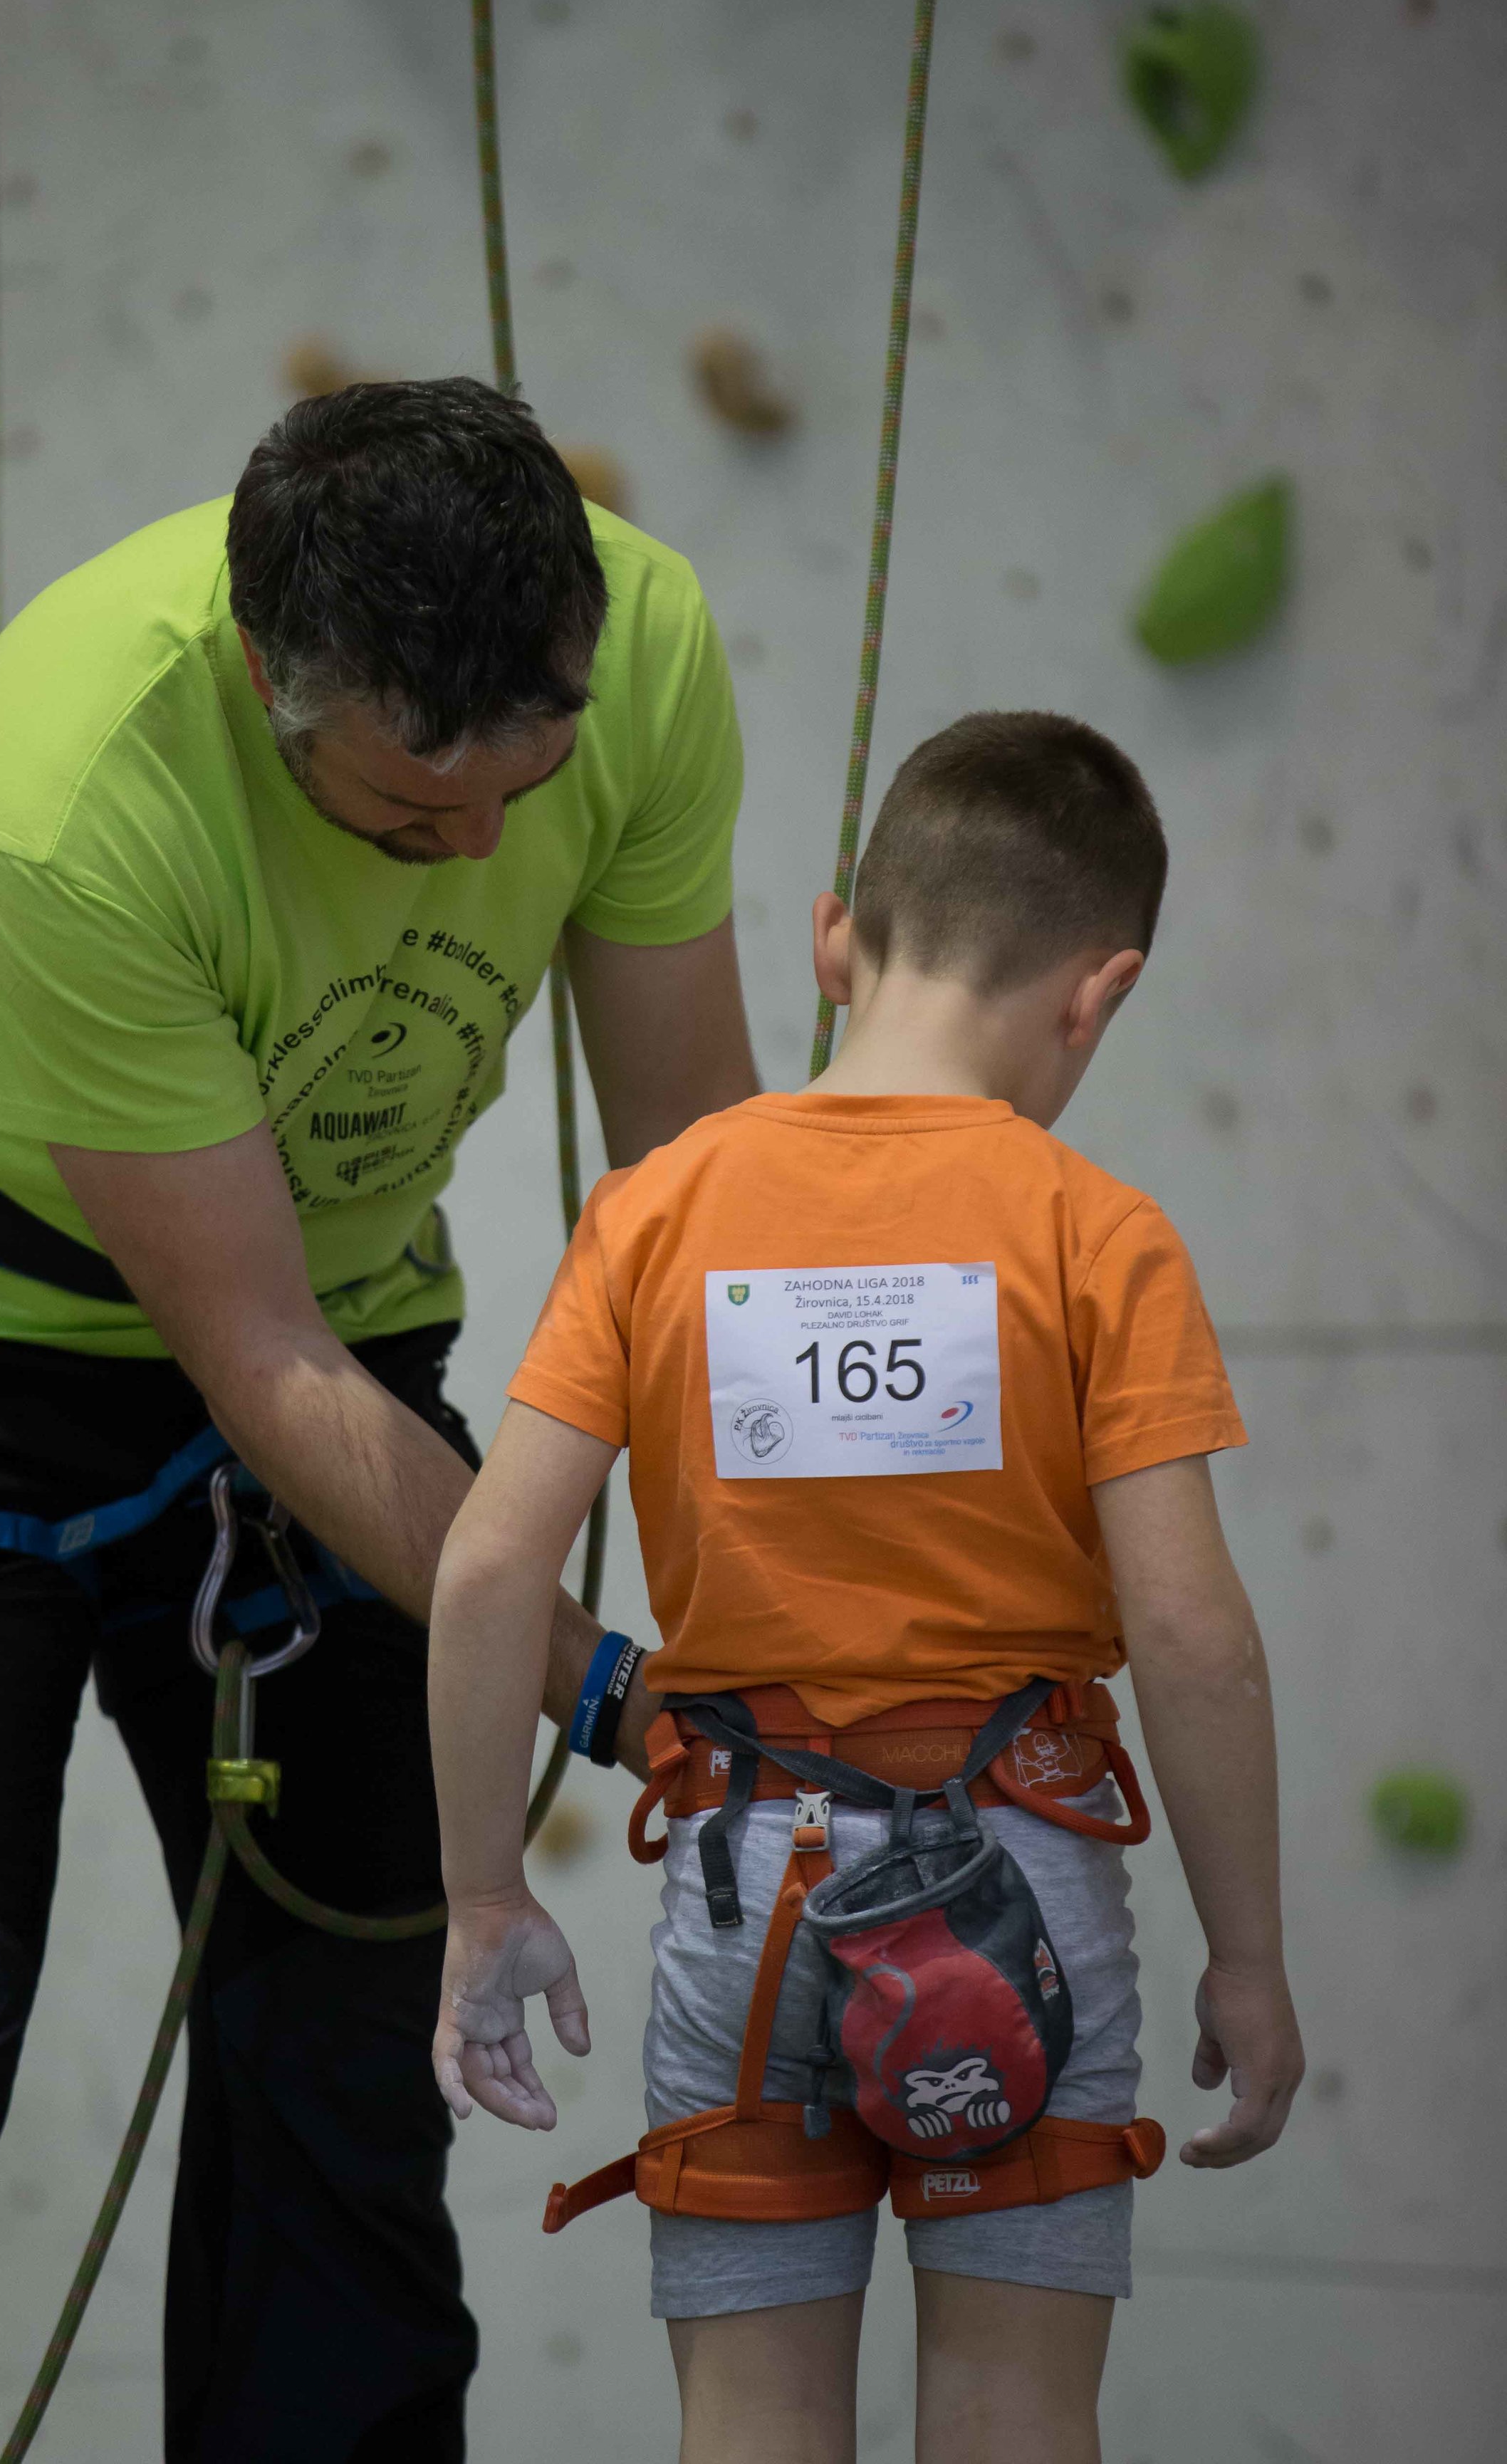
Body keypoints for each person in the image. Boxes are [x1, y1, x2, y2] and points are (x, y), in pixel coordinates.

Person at [0, 378, 758, 2464]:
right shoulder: (82, 782)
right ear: (272, 682)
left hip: (341, 1340)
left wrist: (796, 1626)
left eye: (517, 788)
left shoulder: (636, 645)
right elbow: (254, 1358)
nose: (474, 859)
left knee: (349, 2095)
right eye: (402, 819)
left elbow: (691, 1194)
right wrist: (619, 1692)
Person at [427, 711, 1305, 2464]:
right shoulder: (1093, 1233)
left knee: (748, 2424)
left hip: (746, 1884)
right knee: (1011, 2414)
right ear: (1095, 995)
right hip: (1022, 1885)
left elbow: (484, 1571)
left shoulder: (654, 1213)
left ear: (835, 937)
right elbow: (1192, 1636)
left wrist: (478, 1895)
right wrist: (1249, 1956)